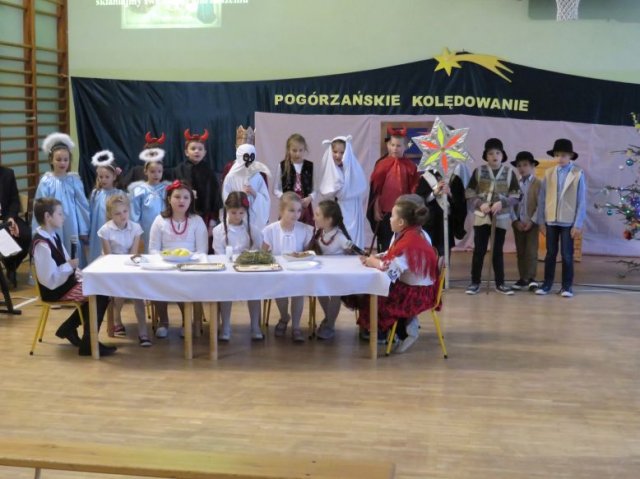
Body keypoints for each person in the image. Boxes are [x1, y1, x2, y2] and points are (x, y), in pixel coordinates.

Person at [31, 198, 115, 356]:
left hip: (64, 284)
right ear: (48, 217)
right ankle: (88, 342)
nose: (63, 217)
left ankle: (69, 329)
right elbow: (49, 280)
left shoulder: (53, 236)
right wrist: (69, 267)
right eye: (60, 214)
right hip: (55, 291)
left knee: (100, 289)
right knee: (100, 294)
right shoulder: (42, 244)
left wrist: (79, 273)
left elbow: (66, 264)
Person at [358, 196, 438, 353]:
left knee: (374, 296)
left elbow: (391, 272)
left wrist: (374, 262)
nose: (389, 219)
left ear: (401, 222)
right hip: (420, 286)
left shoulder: (410, 242)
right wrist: (377, 257)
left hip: (417, 292)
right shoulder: (413, 233)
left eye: (392, 216)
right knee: (374, 291)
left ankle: (401, 332)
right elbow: (392, 254)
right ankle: (393, 329)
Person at [148, 179, 208, 338]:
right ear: (169, 199)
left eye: (186, 197)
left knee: (183, 282)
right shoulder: (160, 220)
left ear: (191, 200)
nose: (181, 201)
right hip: (165, 265)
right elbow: (153, 249)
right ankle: (164, 321)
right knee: (156, 282)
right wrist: (164, 261)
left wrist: (188, 261)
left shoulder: (197, 221)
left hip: (190, 265)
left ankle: (186, 321)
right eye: (177, 197)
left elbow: (202, 250)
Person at [465, 138, 520, 295]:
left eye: (497, 153)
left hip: (500, 217)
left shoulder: (509, 173)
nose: (494, 156)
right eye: (490, 153)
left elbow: (516, 195)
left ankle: (500, 283)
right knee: (479, 250)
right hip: (482, 216)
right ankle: (475, 282)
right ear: (486, 156)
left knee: (497, 252)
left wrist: (502, 203)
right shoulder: (479, 171)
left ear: (502, 155)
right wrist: (479, 203)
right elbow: (469, 192)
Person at [97, 194, 150, 347]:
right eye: (117, 213)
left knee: (138, 294)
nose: (122, 216)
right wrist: (121, 271)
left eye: (125, 211)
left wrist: (128, 269)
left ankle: (143, 331)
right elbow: (108, 256)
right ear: (110, 215)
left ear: (129, 210)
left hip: (129, 264)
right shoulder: (105, 230)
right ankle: (117, 320)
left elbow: (133, 254)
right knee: (119, 293)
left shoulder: (136, 228)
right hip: (112, 267)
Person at [536, 139, 586, 298]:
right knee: (550, 253)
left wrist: (577, 224)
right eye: (557, 155)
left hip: (568, 222)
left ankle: (567, 286)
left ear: (570, 156)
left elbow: (582, 200)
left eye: (563, 155)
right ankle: (547, 284)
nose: (560, 158)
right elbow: (542, 198)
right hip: (551, 220)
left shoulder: (577, 173)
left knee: (567, 254)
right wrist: (541, 221)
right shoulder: (549, 173)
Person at [212, 191, 264, 341]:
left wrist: (248, 257)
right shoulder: (218, 230)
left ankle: (255, 326)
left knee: (255, 292)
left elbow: (257, 249)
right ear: (227, 210)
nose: (237, 216)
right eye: (233, 212)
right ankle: (225, 326)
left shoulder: (253, 229)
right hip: (228, 271)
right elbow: (218, 253)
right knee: (225, 292)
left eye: (241, 213)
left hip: (248, 270)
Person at [32, 133, 90, 267]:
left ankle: (73, 274)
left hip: (71, 223)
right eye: (58, 159)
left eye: (65, 159)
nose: (62, 163)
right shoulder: (46, 182)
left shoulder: (74, 180)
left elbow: (82, 205)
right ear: (51, 160)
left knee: (72, 248)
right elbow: (39, 206)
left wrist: (83, 229)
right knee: (55, 247)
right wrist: (40, 229)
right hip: (52, 223)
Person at [262, 192, 314, 342]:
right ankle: (284, 316)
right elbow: (263, 253)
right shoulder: (270, 230)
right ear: (281, 210)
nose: (296, 215)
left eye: (299, 211)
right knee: (280, 290)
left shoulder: (305, 229)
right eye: (291, 210)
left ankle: (296, 326)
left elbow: (307, 253)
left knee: (298, 291)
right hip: (278, 272)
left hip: (298, 271)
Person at [367, 127, 420, 252]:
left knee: (401, 243)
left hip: (402, 212)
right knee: (385, 243)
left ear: (405, 147)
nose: (395, 148)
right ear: (388, 145)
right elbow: (376, 190)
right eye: (393, 145)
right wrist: (376, 208)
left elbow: (413, 190)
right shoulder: (381, 164)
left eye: (399, 146)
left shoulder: (411, 166)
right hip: (385, 212)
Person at [308, 200, 353, 340]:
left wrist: (350, 250)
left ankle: (330, 324)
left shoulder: (339, 237)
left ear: (328, 220)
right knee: (319, 291)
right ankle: (329, 318)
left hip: (337, 275)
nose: (313, 217)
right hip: (323, 273)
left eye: (317, 215)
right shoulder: (320, 233)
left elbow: (352, 252)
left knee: (335, 294)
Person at [171, 129, 222, 243]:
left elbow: (215, 198)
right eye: (193, 148)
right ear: (186, 152)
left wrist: (212, 222)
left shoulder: (209, 172)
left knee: (202, 242)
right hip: (183, 214)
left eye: (200, 149)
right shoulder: (179, 170)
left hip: (204, 216)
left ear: (205, 152)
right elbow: (172, 193)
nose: (196, 151)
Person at [317, 135, 367, 249]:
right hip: (335, 207)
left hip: (351, 209)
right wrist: (334, 188)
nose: (338, 155)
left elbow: (358, 186)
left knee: (350, 235)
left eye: (342, 152)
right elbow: (325, 190)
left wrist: (343, 189)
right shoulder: (328, 168)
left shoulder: (353, 168)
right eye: (335, 152)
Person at [414, 164, 467, 257]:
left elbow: (461, 202)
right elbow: (419, 200)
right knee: (429, 253)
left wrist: (450, 194)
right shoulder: (425, 178)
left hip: (447, 222)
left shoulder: (455, 179)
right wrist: (434, 193)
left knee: (444, 255)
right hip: (430, 222)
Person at [510, 151, 541, 291]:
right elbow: (510, 204)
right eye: (519, 165)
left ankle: (531, 278)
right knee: (520, 251)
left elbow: (541, 205)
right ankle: (523, 278)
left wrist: (532, 221)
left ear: (532, 166)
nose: (522, 168)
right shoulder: (514, 184)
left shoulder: (538, 183)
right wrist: (515, 220)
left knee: (531, 251)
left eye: (525, 165)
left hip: (532, 223)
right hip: (518, 223)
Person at [129, 147, 169, 252]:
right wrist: (136, 229)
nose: (156, 174)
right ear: (145, 171)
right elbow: (134, 212)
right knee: (148, 248)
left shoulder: (166, 189)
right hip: (146, 226)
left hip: (164, 224)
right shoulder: (139, 190)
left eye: (159, 171)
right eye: (152, 171)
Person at [222, 143, 271, 229]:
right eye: (246, 157)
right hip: (236, 215)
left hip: (254, 219)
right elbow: (226, 197)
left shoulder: (257, 176)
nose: (248, 161)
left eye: (251, 157)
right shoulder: (231, 177)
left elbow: (265, 198)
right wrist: (240, 195)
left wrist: (254, 193)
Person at [87, 150, 124, 263]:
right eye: (101, 177)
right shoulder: (95, 194)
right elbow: (90, 213)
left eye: (107, 177)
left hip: (114, 231)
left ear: (114, 177)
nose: (103, 179)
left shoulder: (119, 194)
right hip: (97, 230)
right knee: (97, 254)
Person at [274, 133, 316, 226]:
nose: (298, 154)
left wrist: (310, 198)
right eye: (294, 150)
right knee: (288, 227)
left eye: (301, 150)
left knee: (305, 229)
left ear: (305, 150)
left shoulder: (310, 166)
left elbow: (315, 189)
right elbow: (276, 189)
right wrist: (285, 198)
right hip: (288, 205)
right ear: (288, 150)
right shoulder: (282, 166)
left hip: (305, 205)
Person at [0, 165, 31, 287]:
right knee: (4, 236)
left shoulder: (8, 173)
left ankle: (11, 265)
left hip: (6, 217)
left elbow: (14, 200)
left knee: (26, 235)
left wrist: (11, 218)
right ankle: (9, 264)